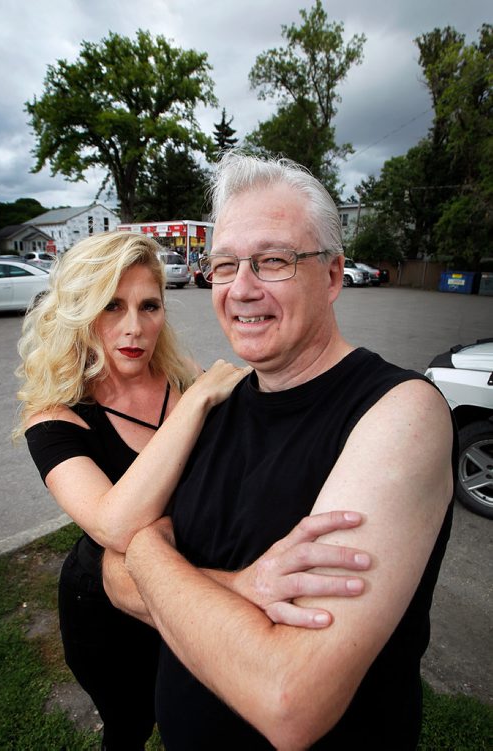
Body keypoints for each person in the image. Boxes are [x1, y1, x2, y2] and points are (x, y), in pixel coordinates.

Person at [104, 152, 456, 750]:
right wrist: (239, 587)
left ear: (333, 275)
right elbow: (110, 580)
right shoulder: (217, 403)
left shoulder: (400, 413)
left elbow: (287, 697)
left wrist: (147, 547)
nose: (241, 289)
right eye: (224, 264)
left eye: (273, 261)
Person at [16, 230, 373, 750]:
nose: (134, 328)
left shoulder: (186, 381)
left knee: (187, 709)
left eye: (149, 305)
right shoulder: (56, 417)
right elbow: (113, 524)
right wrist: (196, 402)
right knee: (129, 724)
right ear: (78, 313)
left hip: (193, 586)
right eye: (111, 307)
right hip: (107, 609)